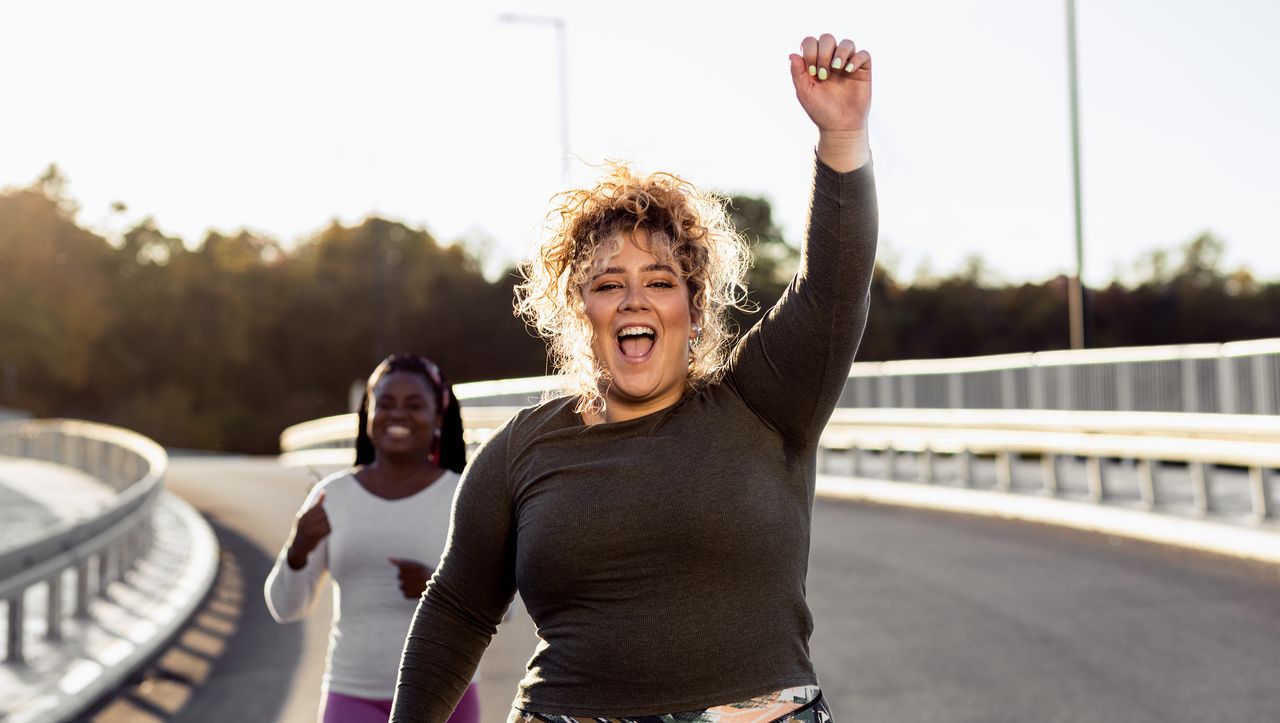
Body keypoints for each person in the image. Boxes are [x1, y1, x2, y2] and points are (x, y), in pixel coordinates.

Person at [391, 32, 876, 722]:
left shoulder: (766, 404)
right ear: (577, 311)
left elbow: (833, 289)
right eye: (607, 283)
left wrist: (842, 139)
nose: (634, 300)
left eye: (660, 280)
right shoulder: (521, 451)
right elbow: (458, 610)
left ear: (695, 307)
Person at [265, 354, 481, 723]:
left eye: (414, 405)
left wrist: (436, 587)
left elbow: (503, 609)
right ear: (368, 413)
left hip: (445, 693)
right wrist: (297, 550)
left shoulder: (465, 495)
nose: (398, 415)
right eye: (386, 403)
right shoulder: (332, 496)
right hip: (352, 696)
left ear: (438, 418)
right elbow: (285, 607)